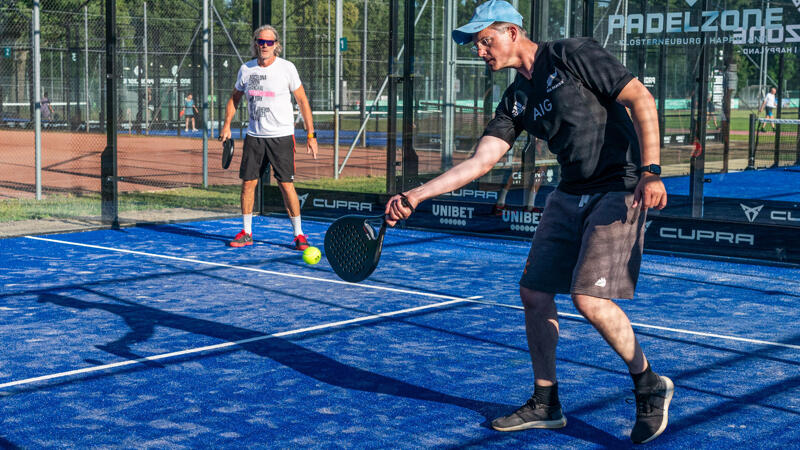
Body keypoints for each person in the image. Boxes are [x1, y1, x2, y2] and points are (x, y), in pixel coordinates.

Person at [384, 0, 671, 444]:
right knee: (534, 293)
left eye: (485, 40)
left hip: (621, 186)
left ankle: (648, 383)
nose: (480, 51)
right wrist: (418, 194)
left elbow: (640, 98)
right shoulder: (515, 98)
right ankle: (546, 401)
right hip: (570, 191)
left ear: (512, 32)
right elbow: (482, 160)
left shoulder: (571, 54)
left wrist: (651, 172)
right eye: (476, 44)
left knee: (588, 300)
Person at [220, 24, 318, 250]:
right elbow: (234, 98)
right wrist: (226, 126)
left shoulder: (287, 68)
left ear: (276, 46)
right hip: (254, 137)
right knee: (248, 184)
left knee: (286, 185)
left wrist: (310, 134)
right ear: (256, 44)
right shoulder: (246, 69)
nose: (264, 46)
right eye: (261, 42)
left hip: (282, 137)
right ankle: (246, 232)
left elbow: (302, 101)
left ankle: (299, 235)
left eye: (269, 43)